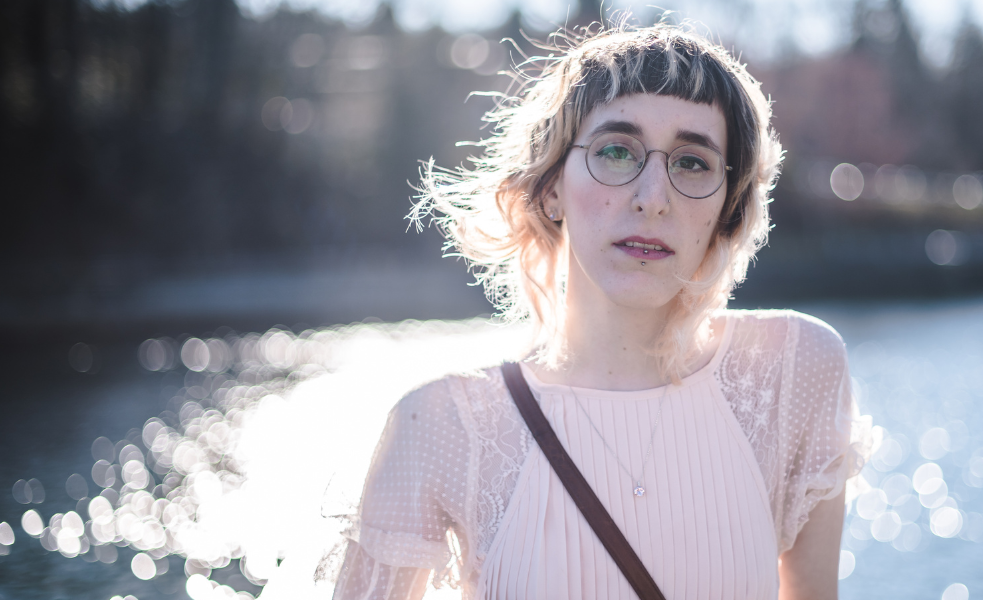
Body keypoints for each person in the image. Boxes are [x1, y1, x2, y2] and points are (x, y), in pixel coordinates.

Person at [332, 20, 865, 600]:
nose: (653, 198)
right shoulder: (440, 425)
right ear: (552, 186)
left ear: (727, 209)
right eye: (616, 151)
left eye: (692, 163)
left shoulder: (793, 373)